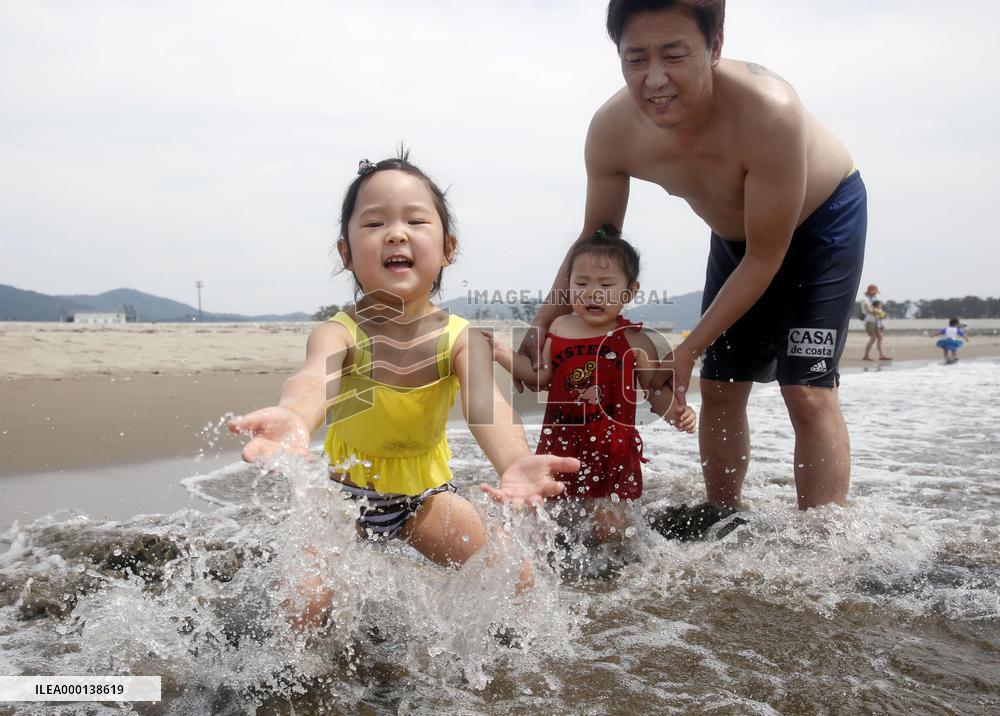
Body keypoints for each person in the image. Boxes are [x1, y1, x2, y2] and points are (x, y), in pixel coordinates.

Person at [519, 0, 867, 521]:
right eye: (636, 59)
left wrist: (689, 346)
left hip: (822, 225)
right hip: (735, 238)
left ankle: (824, 540)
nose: (655, 79)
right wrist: (545, 316)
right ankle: (721, 514)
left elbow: (767, 255)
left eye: (674, 55)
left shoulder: (769, 110)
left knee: (806, 389)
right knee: (720, 385)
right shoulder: (613, 130)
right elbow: (597, 237)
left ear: (715, 45)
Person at [229, 152, 579, 626]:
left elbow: (487, 407)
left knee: (515, 576)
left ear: (448, 248)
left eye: (415, 220)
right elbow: (313, 380)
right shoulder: (339, 332)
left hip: (424, 497)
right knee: (304, 608)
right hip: (344, 496)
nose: (396, 233)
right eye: (375, 223)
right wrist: (294, 415)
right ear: (346, 253)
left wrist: (514, 461)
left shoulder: (461, 339)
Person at [489, 225, 696, 543]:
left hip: (612, 453)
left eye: (606, 284)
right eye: (582, 283)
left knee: (609, 532)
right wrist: (500, 352)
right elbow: (539, 377)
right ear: (568, 286)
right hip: (561, 447)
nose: (592, 293)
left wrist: (678, 413)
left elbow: (654, 391)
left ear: (629, 292)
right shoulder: (559, 327)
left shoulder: (635, 340)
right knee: (550, 525)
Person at [861, 284, 891, 361]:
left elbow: (878, 310)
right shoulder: (865, 300)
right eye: (874, 292)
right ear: (870, 292)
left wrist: (882, 315)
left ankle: (881, 355)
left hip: (878, 322)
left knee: (880, 337)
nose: (875, 293)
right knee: (873, 338)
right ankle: (866, 355)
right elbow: (868, 310)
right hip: (870, 321)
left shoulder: (875, 299)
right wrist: (877, 312)